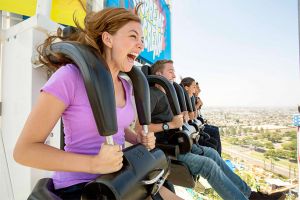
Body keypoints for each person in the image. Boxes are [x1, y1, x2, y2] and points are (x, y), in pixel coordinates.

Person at [13, 6, 181, 200]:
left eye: (142, 40)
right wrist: (94, 164)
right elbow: (24, 151)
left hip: (120, 177)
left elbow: (118, 126)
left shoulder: (125, 86)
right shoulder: (70, 77)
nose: (141, 45)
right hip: (81, 187)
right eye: (133, 36)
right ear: (108, 39)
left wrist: (136, 139)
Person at [138, 59, 285, 200]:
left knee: (212, 153)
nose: (174, 76)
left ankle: (251, 195)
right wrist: (170, 125)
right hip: (166, 149)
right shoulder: (152, 94)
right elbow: (140, 127)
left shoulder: (169, 95)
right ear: (158, 75)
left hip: (179, 143)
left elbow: (178, 121)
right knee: (208, 165)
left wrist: (182, 118)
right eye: (170, 72)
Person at [182, 79, 222, 155]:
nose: (199, 89)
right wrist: (197, 106)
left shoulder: (193, 98)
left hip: (194, 128)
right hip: (191, 131)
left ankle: (218, 158)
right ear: (187, 88)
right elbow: (192, 117)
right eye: (195, 87)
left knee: (214, 138)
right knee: (213, 141)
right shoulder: (185, 99)